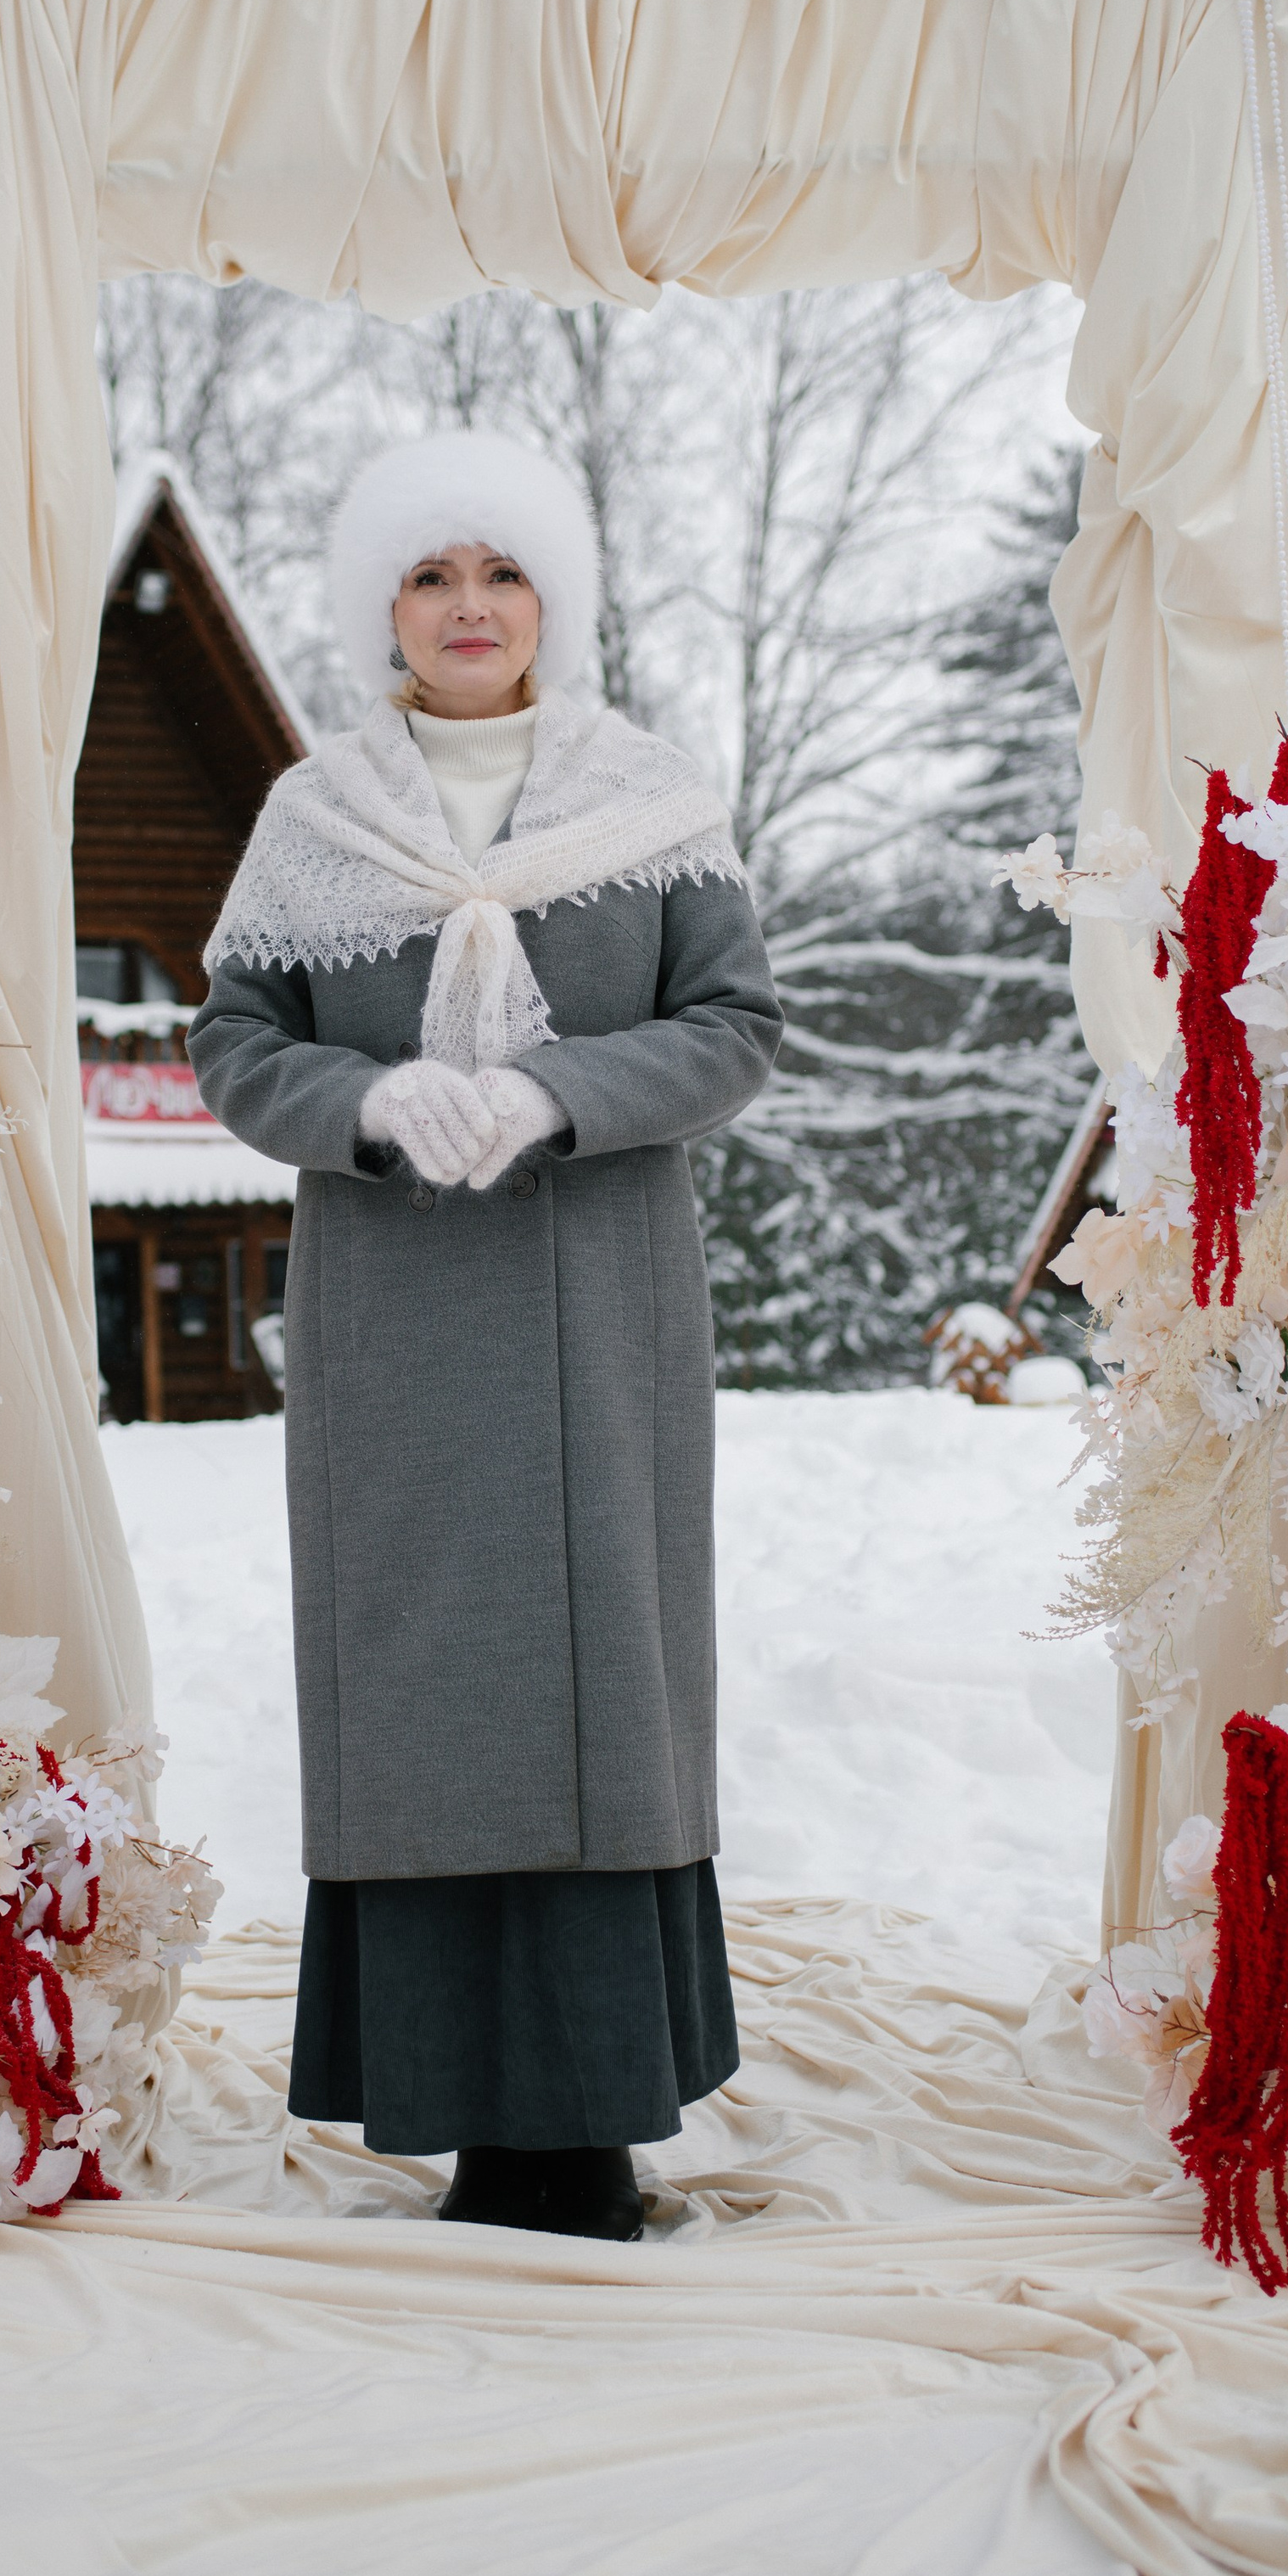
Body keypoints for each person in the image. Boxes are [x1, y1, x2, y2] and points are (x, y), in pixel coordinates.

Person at [188, 432, 782, 2240]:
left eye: (500, 574)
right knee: (426, 1688)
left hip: (600, 1315)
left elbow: (736, 1026)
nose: (468, 607)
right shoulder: (315, 816)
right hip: (395, 1331)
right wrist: (370, 1107)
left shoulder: (648, 803)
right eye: (433, 575)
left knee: (606, 1684)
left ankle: (589, 2125)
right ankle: (451, 2112)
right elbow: (234, 1042)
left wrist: (548, 1091)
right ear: (383, 603)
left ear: (554, 602)